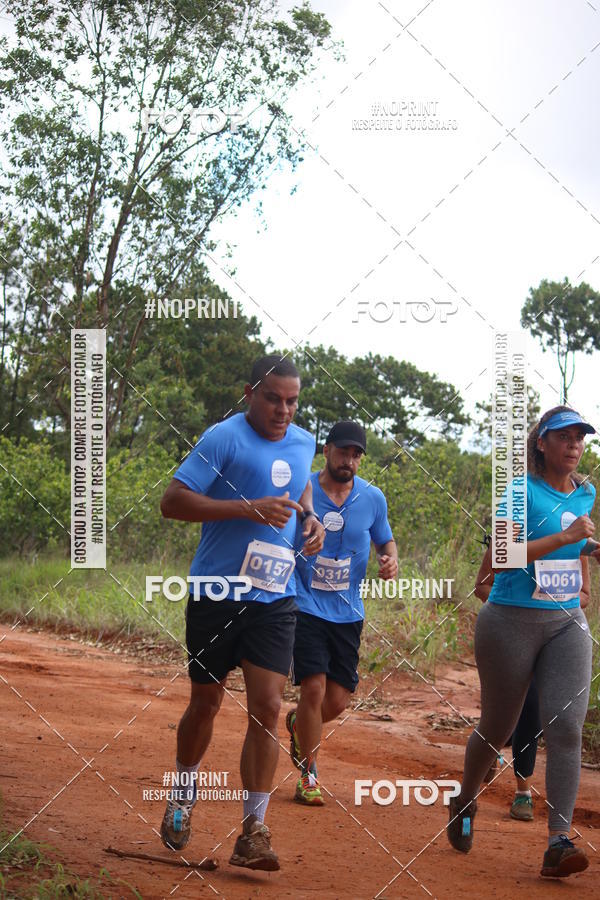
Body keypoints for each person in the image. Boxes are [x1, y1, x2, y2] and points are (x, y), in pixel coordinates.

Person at [158, 355, 325, 871]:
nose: (283, 410)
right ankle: (183, 794)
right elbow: (172, 502)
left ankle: (254, 831)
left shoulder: (302, 441)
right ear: (250, 392)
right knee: (205, 703)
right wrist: (246, 508)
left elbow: (300, 486)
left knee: (269, 709)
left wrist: (312, 520)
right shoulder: (222, 439)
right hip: (216, 592)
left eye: (292, 401)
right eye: (273, 398)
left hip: (275, 598)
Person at [448, 406, 600, 878]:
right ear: (541, 443)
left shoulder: (586, 493)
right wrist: (569, 537)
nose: (574, 445)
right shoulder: (518, 491)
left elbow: (576, 544)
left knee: (566, 728)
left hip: (565, 623)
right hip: (509, 621)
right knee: (497, 727)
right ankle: (464, 799)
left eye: (580, 438)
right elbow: (501, 556)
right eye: (564, 437)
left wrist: (589, 551)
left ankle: (558, 840)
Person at [285, 420, 398, 805]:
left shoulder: (372, 498)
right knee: (312, 688)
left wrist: (390, 561)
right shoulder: (304, 488)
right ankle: (309, 774)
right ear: (326, 450)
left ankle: (299, 725)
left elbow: (386, 541)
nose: (348, 460)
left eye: (356, 454)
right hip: (304, 602)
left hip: (348, 611)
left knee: (335, 702)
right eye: (343, 451)